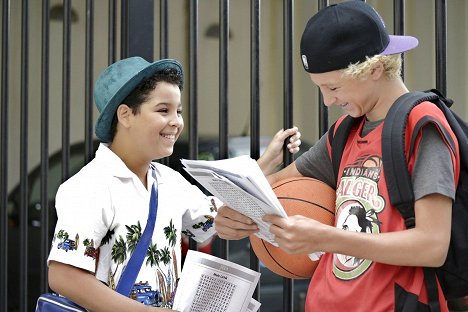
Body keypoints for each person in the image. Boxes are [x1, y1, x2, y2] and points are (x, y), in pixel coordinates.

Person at [215, 1, 460, 311]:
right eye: (319, 87)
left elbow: (432, 245)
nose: (327, 100)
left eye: (333, 86)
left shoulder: (422, 125)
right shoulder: (344, 132)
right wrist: (236, 211)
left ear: (374, 69)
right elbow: (274, 189)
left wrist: (327, 239)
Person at [47, 56, 301, 312]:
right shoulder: (89, 186)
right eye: (163, 110)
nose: (177, 122)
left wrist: (267, 163)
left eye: (178, 111)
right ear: (125, 115)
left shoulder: (166, 180)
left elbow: (215, 214)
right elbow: (64, 276)